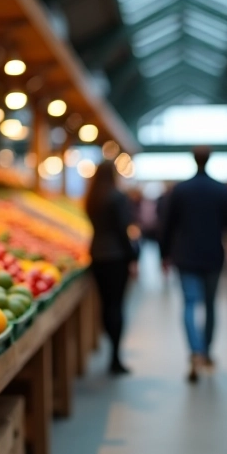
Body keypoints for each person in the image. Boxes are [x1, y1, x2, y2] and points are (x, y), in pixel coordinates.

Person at [161, 148, 227, 382]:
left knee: (188, 304)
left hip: (184, 256)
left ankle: (194, 350)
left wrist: (163, 255)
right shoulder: (221, 190)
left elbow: (166, 226)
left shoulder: (180, 190)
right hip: (213, 257)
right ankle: (206, 352)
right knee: (210, 306)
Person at [85, 160, 137, 375]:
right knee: (117, 305)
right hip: (117, 257)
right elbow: (123, 231)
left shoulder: (91, 199)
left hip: (97, 254)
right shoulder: (118, 197)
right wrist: (133, 256)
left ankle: (110, 346)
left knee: (106, 305)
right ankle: (115, 356)